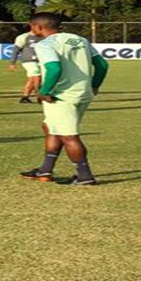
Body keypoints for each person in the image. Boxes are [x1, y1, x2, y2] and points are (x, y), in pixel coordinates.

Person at [17, 12, 110, 186]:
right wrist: (95, 85)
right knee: (50, 126)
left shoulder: (45, 44)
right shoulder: (79, 39)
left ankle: (85, 176)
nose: (31, 30)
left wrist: (44, 90)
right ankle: (45, 170)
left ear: (38, 28)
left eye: (32, 26)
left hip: (61, 95)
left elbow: (53, 68)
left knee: (68, 136)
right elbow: (102, 64)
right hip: (83, 92)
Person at [10, 29, 44, 104]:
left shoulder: (45, 35)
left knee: (32, 79)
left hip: (41, 61)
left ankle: (25, 97)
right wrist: (12, 63)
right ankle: (40, 97)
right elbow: (16, 50)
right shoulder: (24, 37)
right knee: (37, 77)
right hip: (29, 61)